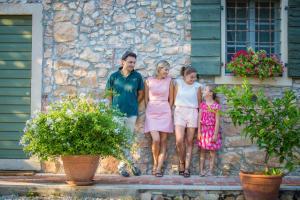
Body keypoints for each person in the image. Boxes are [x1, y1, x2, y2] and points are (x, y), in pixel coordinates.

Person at [106, 51, 144, 177]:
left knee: (127, 140)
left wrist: (133, 103)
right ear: (123, 62)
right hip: (116, 113)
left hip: (131, 113)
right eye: (130, 62)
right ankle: (130, 164)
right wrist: (111, 109)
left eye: (134, 62)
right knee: (119, 141)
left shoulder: (137, 77)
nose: (132, 64)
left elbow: (141, 94)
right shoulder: (114, 76)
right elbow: (108, 94)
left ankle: (123, 166)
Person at [144, 60, 174, 177]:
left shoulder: (169, 81)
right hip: (152, 112)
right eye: (165, 69)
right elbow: (146, 98)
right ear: (159, 69)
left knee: (163, 141)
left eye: (168, 70)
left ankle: (158, 167)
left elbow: (171, 99)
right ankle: (155, 162)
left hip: (165, 111)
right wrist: (149, 108)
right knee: (155, 139)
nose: (167, 72)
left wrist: (168, 109)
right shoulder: (148, 81)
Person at [174, 66, 202, 178]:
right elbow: (173, 98)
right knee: (179, 140)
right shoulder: (178, 83)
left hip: (192, 113)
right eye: (191, 77)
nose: (193, 79)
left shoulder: (197, 86)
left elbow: (200, 104)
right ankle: (181, 161)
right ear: (185, 76)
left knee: (190, 141)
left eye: (195, 77)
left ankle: (187, 168)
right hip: (180, 111)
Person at [197, 85, 222, 176]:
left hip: (212, 130)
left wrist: (215, 134)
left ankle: (211, 171)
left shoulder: (216, 106)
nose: (203, 91)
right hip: (204, 130)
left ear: (210, 93)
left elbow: (217, 120)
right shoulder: (202, 105)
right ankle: (201, 170)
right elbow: (199, 119)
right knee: (202, 151)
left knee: (212, 151)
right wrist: (199, 132)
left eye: (205, 90)